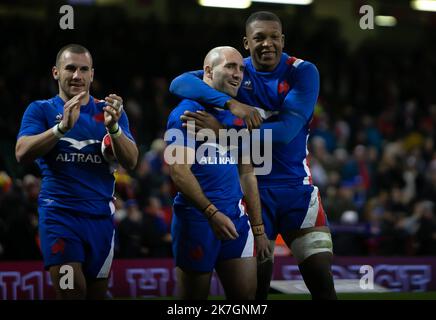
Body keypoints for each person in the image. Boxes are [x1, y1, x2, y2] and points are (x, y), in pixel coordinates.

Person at [169, 12, 337, 300]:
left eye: (274, 37)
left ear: (283, 40)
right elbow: (179, 83)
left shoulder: (302, 71)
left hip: (297, 190)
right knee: (255, 292)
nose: (267, 43)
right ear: (247, 43)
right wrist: (231, 104)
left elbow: (284, 133)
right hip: (252, 193)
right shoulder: (236, 72)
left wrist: (221, 132)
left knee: (321, 280)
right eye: (259, 38)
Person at [15, 44, 138, 299]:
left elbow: (132, 161)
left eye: (83, 69)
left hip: (101, 220)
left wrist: (114, 129)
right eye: (70, 68)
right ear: (56, 73)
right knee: (72, 293)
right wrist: (61, 128)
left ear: (92, 75)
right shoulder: (41, 110)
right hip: (60, 216)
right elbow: (21, 153)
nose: (77, 76)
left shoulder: (110, 112)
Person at [166, 46, 271, 300]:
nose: (238, 74)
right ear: (208, 72)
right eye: (230, 67)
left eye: (241, 68)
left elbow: (248, 173)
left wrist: (258, 229)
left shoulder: (239, 116)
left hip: (236, 220)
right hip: (198, 220)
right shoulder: (186, 113)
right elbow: (178, 172)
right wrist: (211, 213)